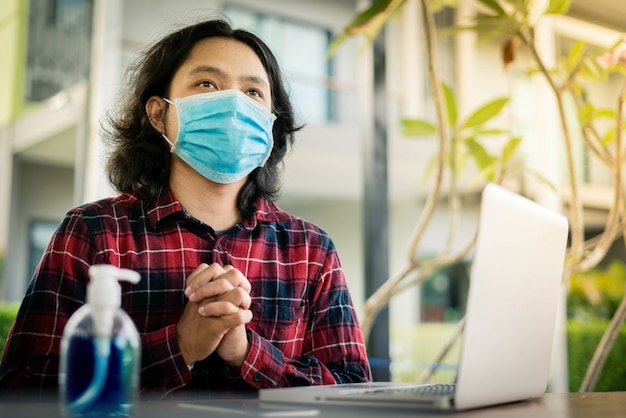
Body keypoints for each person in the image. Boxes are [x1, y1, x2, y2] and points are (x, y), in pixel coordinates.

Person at [0, 18, 371, 398]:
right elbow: (19, 386)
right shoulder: (93, 231)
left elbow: (355, 391)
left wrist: (247, 353)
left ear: (272, 124)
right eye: (207, 84)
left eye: (253, 92)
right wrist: (179, 347)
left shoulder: (310, 250)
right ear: (160, 112)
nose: (234, 105)